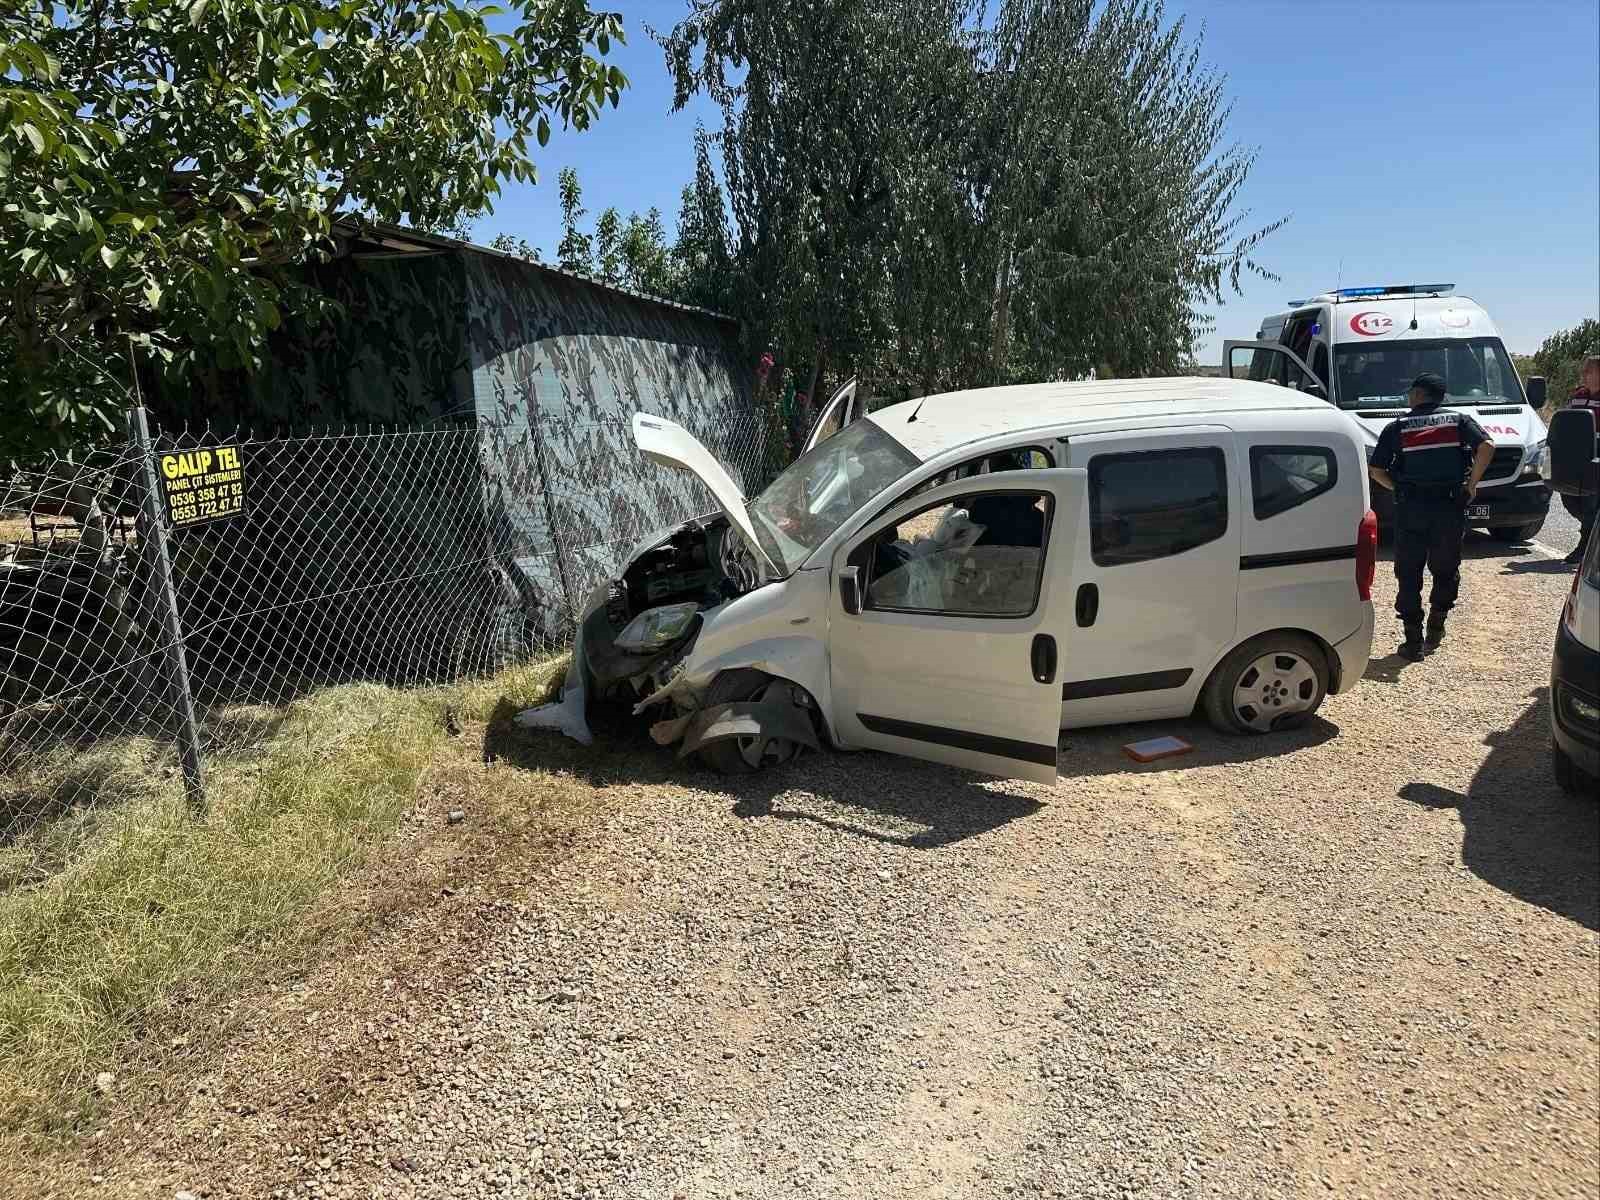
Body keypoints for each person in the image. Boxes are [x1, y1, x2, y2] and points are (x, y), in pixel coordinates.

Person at [1369, 371, 1495, 661]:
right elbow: (1487, 447)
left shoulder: (1397, 426)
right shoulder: (1458, 421)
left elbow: (1376, 469)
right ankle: (1436, 630)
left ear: (1418, 394)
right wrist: (1471, 483)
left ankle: (1413, 642)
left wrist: (1398, 487)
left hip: (1411, 509)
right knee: (1445, 568)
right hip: (1449, 507)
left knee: (1409, 572)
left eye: (1411, 391)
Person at [1560, 352, 1600, 565]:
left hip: (1596, 459)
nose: (1584, 374)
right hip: (1575, 459)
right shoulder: (1577, 395)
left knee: (1590, 502)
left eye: (1589, 370)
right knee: (1568, 497)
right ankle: (1592, 530)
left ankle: (1584, 549)